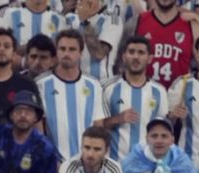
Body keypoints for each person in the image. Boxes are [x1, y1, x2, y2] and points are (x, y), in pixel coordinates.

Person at [36, 30, 104, 162]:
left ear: (81, 53)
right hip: (52, 164)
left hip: (86, 162)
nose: (66, 54)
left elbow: (98, 127)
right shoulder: (41, 84)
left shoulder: (93, 85)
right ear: (56, 51)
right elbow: (39, 131)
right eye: (62, 49)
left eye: (72, 49)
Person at [101, 36, 168, 162]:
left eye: (141, 52)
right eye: (131, 52)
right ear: (124, 56)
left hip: (147, 165)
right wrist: (117, 119)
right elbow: (96, 127)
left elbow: (162, 130)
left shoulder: (159, 91)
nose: (136, 57)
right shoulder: (107, 87)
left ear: (150, 58)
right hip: (114, 164)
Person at [131, 0, 199, 90]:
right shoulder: (139, 20)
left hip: (178, 97)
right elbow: (123, 63)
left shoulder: (191, 24)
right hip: (144, 94)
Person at [168, 36, 199, 173]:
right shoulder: (182, 83)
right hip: (188, 159)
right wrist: (172, 116)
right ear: (196, 54)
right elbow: (164, 122)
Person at [72, 0, 122, 82]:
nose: (79, 3)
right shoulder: (72, 19)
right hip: (77, 82)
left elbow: (99, 54)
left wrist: (85, 23)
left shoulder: (112, 20)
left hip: (101, 82)